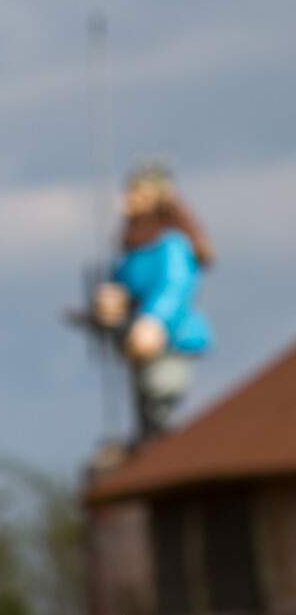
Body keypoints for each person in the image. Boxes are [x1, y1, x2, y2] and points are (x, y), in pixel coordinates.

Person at [91, 160, 213, 444]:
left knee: (161, 401)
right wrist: (111, 303)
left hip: (167, 340)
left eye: (135, 192)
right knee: (144, 411)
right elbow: (122, 285)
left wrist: (153, 321)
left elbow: (174, 287)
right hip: (135, 344)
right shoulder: (134, 249)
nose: (127, 199)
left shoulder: (171, 245)